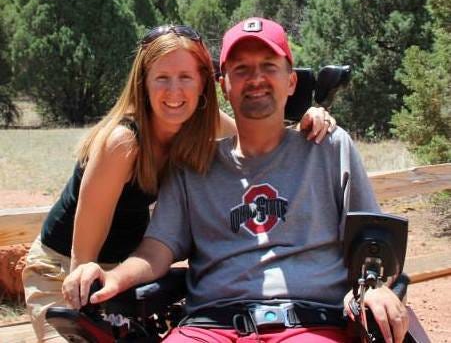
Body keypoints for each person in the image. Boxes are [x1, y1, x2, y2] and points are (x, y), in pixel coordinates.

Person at [64, 17, 408, 343]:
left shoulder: (328, 147)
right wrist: (113, 278)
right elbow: (157, 249)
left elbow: (373, 244)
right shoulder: (194, 166)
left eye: (269, 67)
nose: (255, 78)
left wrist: (375, 286)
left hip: (308, 322)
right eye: (241, 69)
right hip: (210, 324)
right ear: (224, 86)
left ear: (291, 81)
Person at [23, 23, 334, 343]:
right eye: (162, 78)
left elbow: (259, 135)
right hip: (63, 273)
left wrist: (307, 116)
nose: (175, 91)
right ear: (143, 83)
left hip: (121, 274)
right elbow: (81, 263)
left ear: (204, 83)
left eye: (186, 77)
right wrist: (88, 299)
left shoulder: (201, 121)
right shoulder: (122, 142)